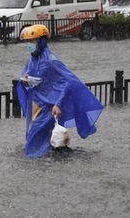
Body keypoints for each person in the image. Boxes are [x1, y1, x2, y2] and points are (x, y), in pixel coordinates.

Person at [16, 24, 103, 158]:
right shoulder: (32, 60)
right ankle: (49, 158)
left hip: (51, 106)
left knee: (35, 137)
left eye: (32, 41)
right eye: (26, 41)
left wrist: (58, 104)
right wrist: (25, 80)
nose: (28, 44)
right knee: (37, 136)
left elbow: (69, 81)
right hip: (39, 105)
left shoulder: (51, 60)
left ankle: (37, 163)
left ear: (41, 41)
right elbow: (28, 77)